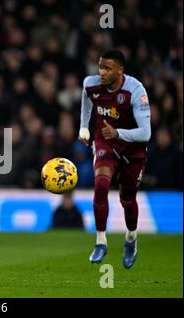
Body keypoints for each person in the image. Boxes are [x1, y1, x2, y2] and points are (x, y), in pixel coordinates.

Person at [79, 49, 151, 269]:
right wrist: (84, 126)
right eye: (100, 66)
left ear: (120, 70)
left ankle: (131, 239)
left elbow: (145, 133)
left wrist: (119, 133)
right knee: (101, 185)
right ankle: (101, 241)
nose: (101, 72)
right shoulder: (91, 84)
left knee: (127, 200)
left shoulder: (135, 91)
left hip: (132, 150)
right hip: (105, 143)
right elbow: (86, 98)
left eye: (107, 68)